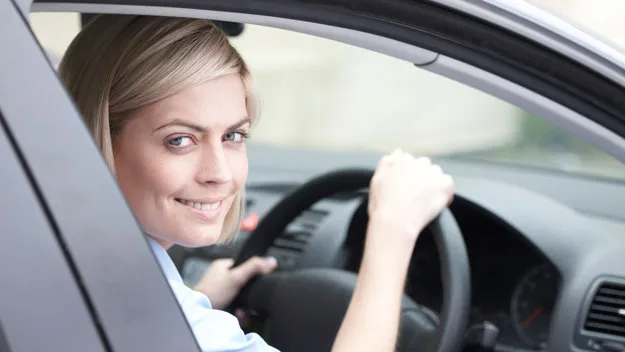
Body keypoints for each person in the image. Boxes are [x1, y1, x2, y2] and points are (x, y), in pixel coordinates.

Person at [58, 14, 454, 352]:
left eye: (233, 136)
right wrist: (391, 233)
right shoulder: (149, 310)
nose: (221, 173)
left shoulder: (65, 257)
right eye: (180, 140)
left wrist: (200, 300)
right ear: (98, 142)